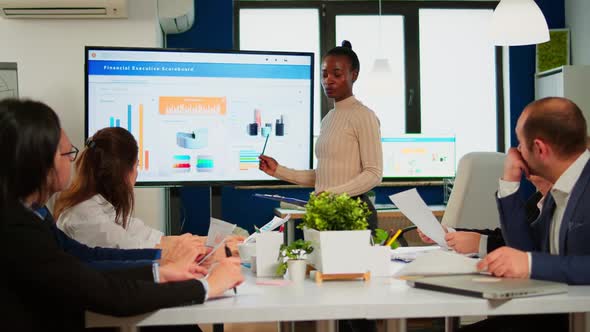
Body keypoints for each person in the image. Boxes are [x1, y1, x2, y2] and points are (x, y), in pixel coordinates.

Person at [0, 98, 244, 331]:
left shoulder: (33, 214)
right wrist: (206, 286)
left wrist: (161, 271)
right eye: (66, 154)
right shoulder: (18, 230)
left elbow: (85, 257)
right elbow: (107, 292)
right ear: (40, 163)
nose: (72, 160)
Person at [461, 96, 590, 331]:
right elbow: (523, 249)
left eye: (520, 143)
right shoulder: (560, 188)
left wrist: (531, 264)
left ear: (539, 148)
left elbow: (528, 259)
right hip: (553, 314)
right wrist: (509, 182)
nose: (516, 152)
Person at [53, 127, 243, 259]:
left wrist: (204, 241)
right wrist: (205, 248)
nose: (137, 172)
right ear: (123, 171)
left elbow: (144, 235)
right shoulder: (84, 215)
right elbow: (133, 249)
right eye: (136, 165)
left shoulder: (99, 206)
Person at [258, 40, 383, 231]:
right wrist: (278, 171)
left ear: (354, 75)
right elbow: (324, 176)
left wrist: (331, 194)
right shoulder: (328, 119)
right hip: (327, 211)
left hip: (353, 214)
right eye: (324, 74)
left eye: (337, 74)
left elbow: (374, 174)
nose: (328, 80)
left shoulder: (364, 115)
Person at [417, 175, 550, 256]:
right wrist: (449, 233)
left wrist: (480, 244)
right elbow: (503, 237)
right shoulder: (537, 199)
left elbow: (530, 251)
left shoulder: (565, 205)